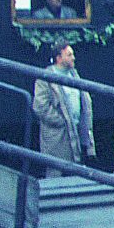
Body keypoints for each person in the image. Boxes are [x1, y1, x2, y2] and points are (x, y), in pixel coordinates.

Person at [32, 42, 95, 176]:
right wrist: (62, 121)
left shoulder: (74, 75)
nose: (73, 58)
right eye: (69, 55)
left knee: (75, 174)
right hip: (57, 138)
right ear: (58, 58)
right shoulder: (45, 78)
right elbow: (40, 107)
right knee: (56, 174)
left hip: (76, 134)